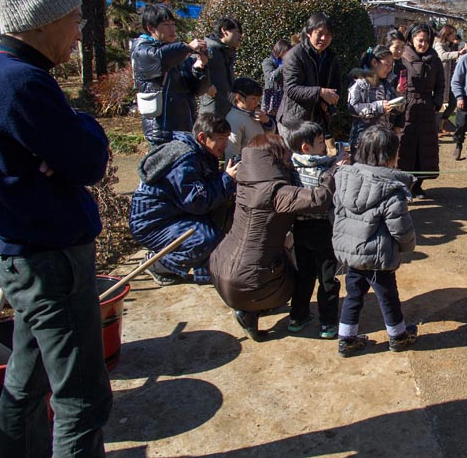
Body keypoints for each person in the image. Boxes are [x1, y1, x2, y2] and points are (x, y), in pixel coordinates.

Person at [0, 0, 112, 457]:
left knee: (25, 380)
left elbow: (71, 151)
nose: (78, 34)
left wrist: (72, 131)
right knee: (81, 399)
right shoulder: (24, 83)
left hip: (21, 257)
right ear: (42, 22)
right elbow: (90, 159)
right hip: (52, 260)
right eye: (74, 21)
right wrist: (85, 129)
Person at [209, 131, 334, 342]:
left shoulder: (246, 180)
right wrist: (332, 173)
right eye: (285, 155)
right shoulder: (275, 191)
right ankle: (251, 308)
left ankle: (250, 307)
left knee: (280, 257)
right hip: (247, 280)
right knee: (302, 277)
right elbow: (318, 199)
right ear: (274, 157)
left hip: (220, 268)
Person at [333, 126, 417, 357]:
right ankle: (398, 336)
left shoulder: (344, 178)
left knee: (353, 296)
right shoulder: (391, 188)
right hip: (379, 257)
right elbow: (400, 227)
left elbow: (338, 214)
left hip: (352, 254)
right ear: (390, 156)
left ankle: (346, 339)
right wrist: (408, 247)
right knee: (388, 297)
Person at [129, 113, 239, 286]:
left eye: (226, 138)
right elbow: (198, 203)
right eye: (220, 138)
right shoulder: (185, 160)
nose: (225, 144)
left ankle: (208, 272)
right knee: (203, 238)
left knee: (218, 222)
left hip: (174, 214)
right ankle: (158, 265)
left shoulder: (199, 153)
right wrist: (226, 179)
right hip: (152, 223)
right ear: (202, 137)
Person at [286, 122, 344, 338]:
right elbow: (328, 188)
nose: (324, 147)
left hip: (300, 229)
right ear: (306, 148)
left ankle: (297, 317)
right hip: (322, 230)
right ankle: (328, 323)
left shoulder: (290, 167)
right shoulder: (323, 171)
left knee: (304, 275)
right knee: (327, 276)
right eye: (320, 143)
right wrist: (337, 167)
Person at [132, 4, 209, 146]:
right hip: (161, 130)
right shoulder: (142, 50)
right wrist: (188, 48)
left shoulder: (178, 54)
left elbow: (197, 90)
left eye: (173, 24)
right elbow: (161, 58)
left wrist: (200, 67)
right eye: (166, 25)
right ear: (150, 28)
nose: (172, 29)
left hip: (185, 128)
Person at [276, 12, 341, 141]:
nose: (323, 38)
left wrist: (329, 101)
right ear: (309, 33)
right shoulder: (294, 55)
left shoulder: (331, 57)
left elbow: (336, 86)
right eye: (319, 33)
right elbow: (291, 89)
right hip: (294, 122)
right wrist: (320, 92)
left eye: (327, 34)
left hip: (318, 122)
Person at [397, 23, 444, 198]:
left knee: (424, 148)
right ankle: (403, 184)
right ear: (411, 39)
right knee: (405, 147)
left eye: (426, 41)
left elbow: (441, 85)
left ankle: (418, 184)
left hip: (427, 108)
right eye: (420, 40)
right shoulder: (402, 57)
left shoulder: (435, 60)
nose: (423, 44)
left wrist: (436, 103)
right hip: (407, 106)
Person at [347, 45, 404, 153]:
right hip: (363, 141)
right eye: (387, 64)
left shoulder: (386, 84)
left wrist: (399, 102)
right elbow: (353, 107)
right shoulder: (360, 82)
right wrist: (379, 107)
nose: (390, 68)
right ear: (374, 62)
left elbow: (394, 108)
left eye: (391, 65)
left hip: (383, 141)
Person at [199, 17, 242, 118]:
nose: (240, 36)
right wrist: (206, 86)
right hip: (211, 110)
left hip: (227, 108)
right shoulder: (207, 49)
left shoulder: (228, 52)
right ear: (224, 30)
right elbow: (193, 71)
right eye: (237, 31)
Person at [225, 77, 274, 161]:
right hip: (248, 165)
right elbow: (232, 150)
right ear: (239, 98)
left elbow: (269, 137)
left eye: (259, 99)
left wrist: (267, 122)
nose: (257, 102)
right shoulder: (233, 119)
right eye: (254, 99)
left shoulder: (255, 113)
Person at [433, 24, 467, 134]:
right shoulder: (438, 44)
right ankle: (435, 128)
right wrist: (458, 53)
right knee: (437, 104)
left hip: (449, 79)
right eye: (452, 34)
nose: (454, 36)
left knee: (453, 102)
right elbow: (442, 55)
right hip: (439, 79)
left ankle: (442, 123)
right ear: (447, 34)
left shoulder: (449, 45)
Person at [450, 47, 467, 161]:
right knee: (461, 124)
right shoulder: (465, 60)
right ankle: (458, 143)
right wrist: (459, 97)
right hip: (465, 97)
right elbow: (456, 81)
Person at [262, 38, 290, 116]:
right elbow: (271, 76)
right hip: (272, 97)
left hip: (285, 98)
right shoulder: (268, 62)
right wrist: (285, 64)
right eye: (286, 51)